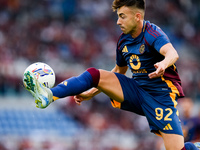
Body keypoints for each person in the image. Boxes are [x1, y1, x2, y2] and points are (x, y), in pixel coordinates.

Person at [23, 0, 200, 149]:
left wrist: (163, 63)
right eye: (117, 16)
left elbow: (172, 53)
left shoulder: (152, 33)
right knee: (94, 74)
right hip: (137, 91)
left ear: (137, 16)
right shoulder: (123, 40)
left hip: (160, 98)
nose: (118, 21)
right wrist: (91, 93)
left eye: (122, 16)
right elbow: (118, 72)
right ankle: (49, 95)